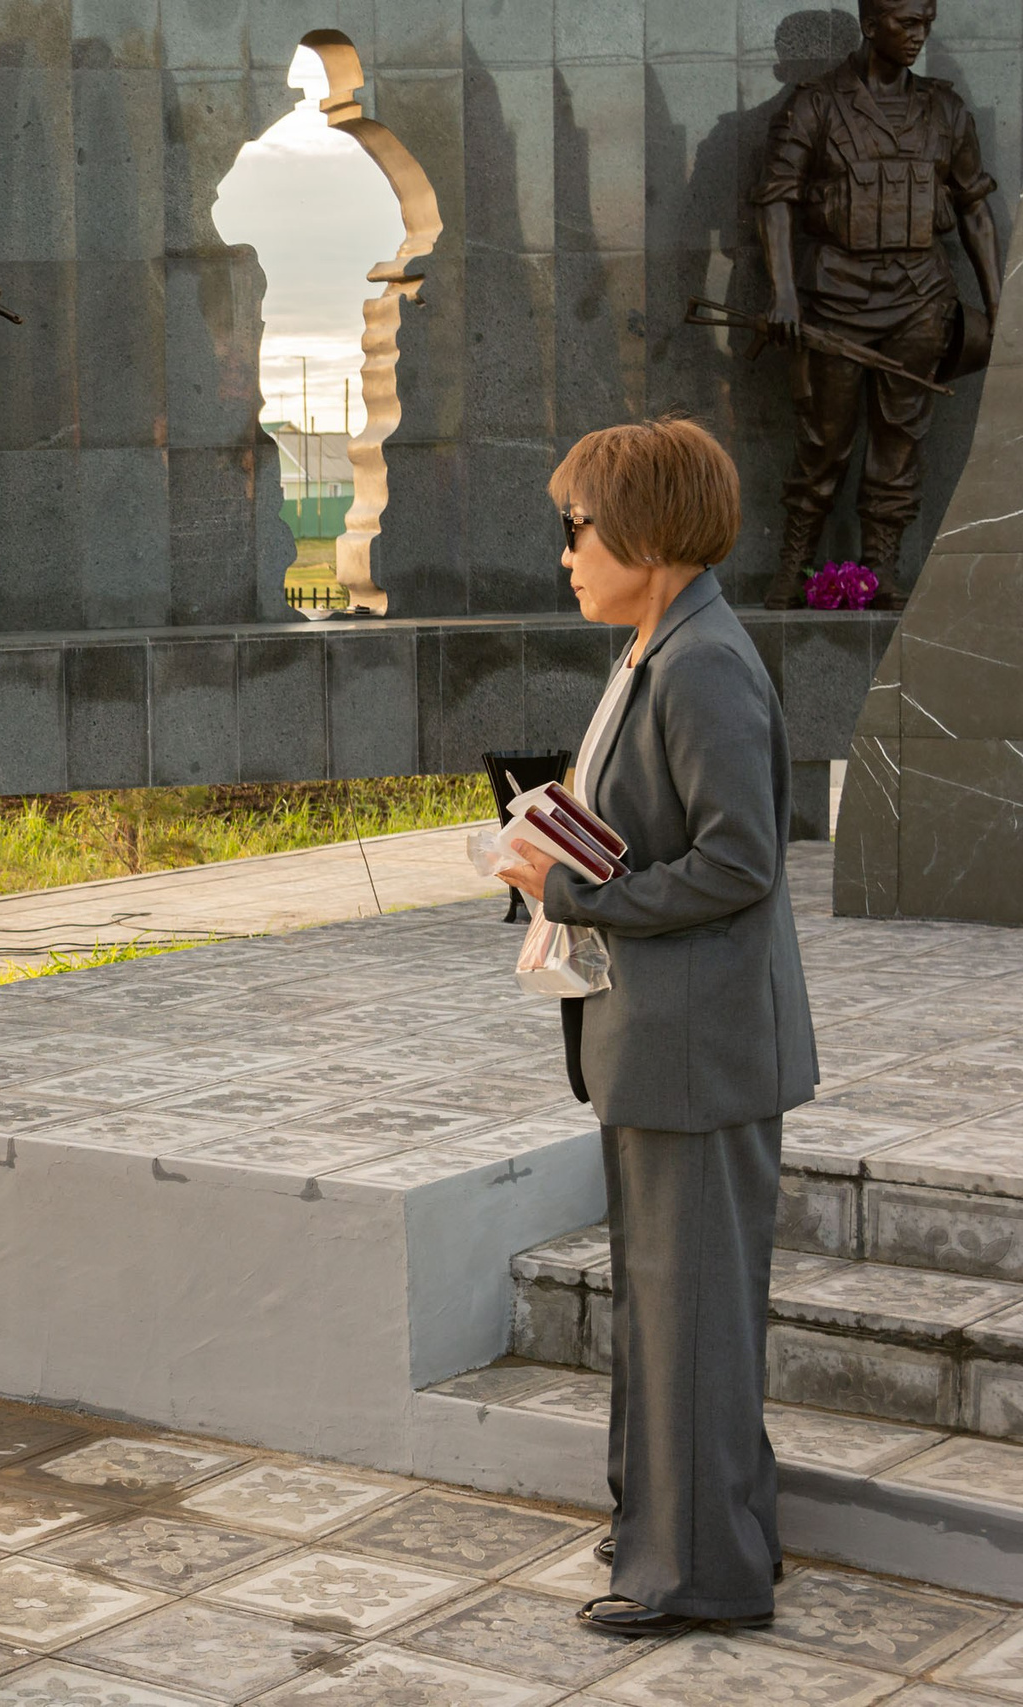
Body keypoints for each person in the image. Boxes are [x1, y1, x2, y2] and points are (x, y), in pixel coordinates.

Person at [506, 417, 817, 1637]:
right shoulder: (656, 644)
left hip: (699, 1052)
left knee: (689, 1309)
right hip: (660, 1041)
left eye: (575, 528)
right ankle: (687, 1531)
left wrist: (574, 891)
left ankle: (702, 1574)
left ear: (645, 529)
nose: (566, 553)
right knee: (666, 1302)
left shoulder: (700, 663)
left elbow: (742, 860)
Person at [755, 0, 1001, 608]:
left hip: (920, 300)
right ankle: (795, 562)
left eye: (926, 23)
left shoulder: (943, 109)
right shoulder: (813, 104)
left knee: (901, 439)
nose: (920, 36)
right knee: (823, 440)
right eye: (906, 24)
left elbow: (974, 208)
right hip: (835, 297)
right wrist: (784, 292)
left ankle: (881, 566)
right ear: (870, 25)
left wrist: (1003, 308)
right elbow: (777, 199)